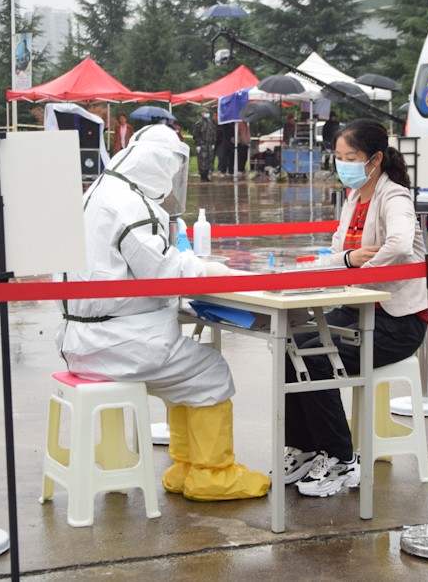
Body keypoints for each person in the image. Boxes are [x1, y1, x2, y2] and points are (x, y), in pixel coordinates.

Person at [55, 123, 269, 502]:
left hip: (82, 341)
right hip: (120, 344)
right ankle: (212, 475)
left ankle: (185, 467)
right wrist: (210, 270)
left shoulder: (99, 192)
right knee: (210, 371)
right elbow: (163, 273)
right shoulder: (129, 204)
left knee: (187, 371)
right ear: (159, 166)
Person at [282, 118, 428, 498]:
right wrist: (345, 262)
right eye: (339, 157)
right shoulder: (353, 198)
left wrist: (364, 272)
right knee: (290, 345)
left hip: (397, 322)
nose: (342, 164)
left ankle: (342, 459)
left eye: (351, 157)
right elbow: (337, 255)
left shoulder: (394, 197)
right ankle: (305, 449)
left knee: (316, 358)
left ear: (375, 159)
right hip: (356, 310)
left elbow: (400, 244)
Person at [193, 108, 217, 182]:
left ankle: (206, 175)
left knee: (209, 160)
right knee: (202, 161)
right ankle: (202, 176)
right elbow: (196, 134)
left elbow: (213, 133)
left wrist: (213, 143)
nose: (206, 114)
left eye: (207, 112)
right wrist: (197, 144)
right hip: (202, 145)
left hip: (209, 145)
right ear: (202, 113)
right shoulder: (199, 123)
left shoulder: (210, 123)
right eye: (205, 112)